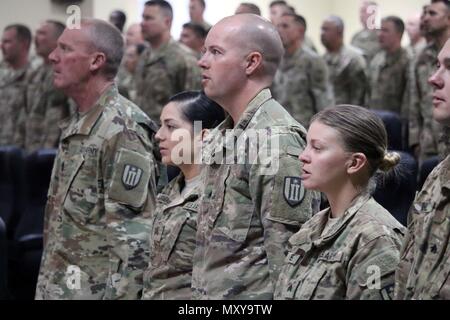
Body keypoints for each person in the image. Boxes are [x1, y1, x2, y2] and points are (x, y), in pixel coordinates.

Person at [193, 13, 320, 300]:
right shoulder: (227, 133)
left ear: (251, 62)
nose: (202, 62)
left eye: (215, 52)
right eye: (204, 52)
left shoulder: (276, 140)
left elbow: (289, 263)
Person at [35, 19, 158, 300]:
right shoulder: (81, 120)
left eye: (65, 49)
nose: (53, 56)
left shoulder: (123, 129)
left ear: (96, 61)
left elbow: (134, 245)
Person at [275, 105, 406, 300]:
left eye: (317, 148)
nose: (303, 156)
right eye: (306, 146)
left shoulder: (375, 240)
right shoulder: (313, 226)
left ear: (354, 163)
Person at [142, 91, 224, 300]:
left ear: (203, 136)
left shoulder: (220, 196)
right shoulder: (170, 191)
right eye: (161, 125)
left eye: (171, 127)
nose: (159, 135)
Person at [395, 38, 450, 300]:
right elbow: (407, 274)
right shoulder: (438, 176)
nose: (434, 79)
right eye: (438, 65)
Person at [135, 0, 201, 121]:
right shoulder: (145, 55)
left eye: (148, 18)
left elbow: (196, 109)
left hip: (171, 135)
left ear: (167, 22)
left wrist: (192, 139)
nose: (142, 23)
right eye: (142, 18)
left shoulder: (184, 58)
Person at [14, 20, 71, 153]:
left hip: (53, 152)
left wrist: (51, 150)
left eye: (42, 33)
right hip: (30, 150)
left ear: (58, 40)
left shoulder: (68, 74)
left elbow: (67, 115)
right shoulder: (34, 74)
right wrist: (18, 147)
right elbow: (24, 113)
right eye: (36, 33)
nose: (35, 38)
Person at [273, 13, 333, 126]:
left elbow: (323, 102)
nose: (279, 30)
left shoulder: (313, 61)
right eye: (278, 26)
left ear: (300, 31)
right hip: (279, 128)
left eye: (285, 26)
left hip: (303, 130)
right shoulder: (275, 60)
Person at [409, 0, 450, 163]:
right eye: (425, 13)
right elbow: (413, 99)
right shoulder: (421, 55)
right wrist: (414, 140)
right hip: (427, 139)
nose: (426, 18)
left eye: (432, 13)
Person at [367, 16, 410, 118]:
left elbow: (409, 101)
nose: (380, 34)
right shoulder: (377, 59)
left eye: (385, 31)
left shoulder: (408, 61)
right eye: (380, 30)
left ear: (399, 34)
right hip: (374, 120)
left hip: (395, 123)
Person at [321, 15, 367, 106]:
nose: (322, 33)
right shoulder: (322, 59)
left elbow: (360, 95)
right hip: (326, 114)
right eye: (322, 29)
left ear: (339, 31)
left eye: (326, 29)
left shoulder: (353, 58)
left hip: (345, 116)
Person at [0, 24, 32, 146]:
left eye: (7, 42)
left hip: (21, 149)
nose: (1, 46)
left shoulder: (36, 76)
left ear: (24, 44)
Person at [351, 0, 381, 66]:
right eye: (360, 11)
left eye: (364, 11)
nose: (361, 14)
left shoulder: (381, 35)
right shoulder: (356, 36)